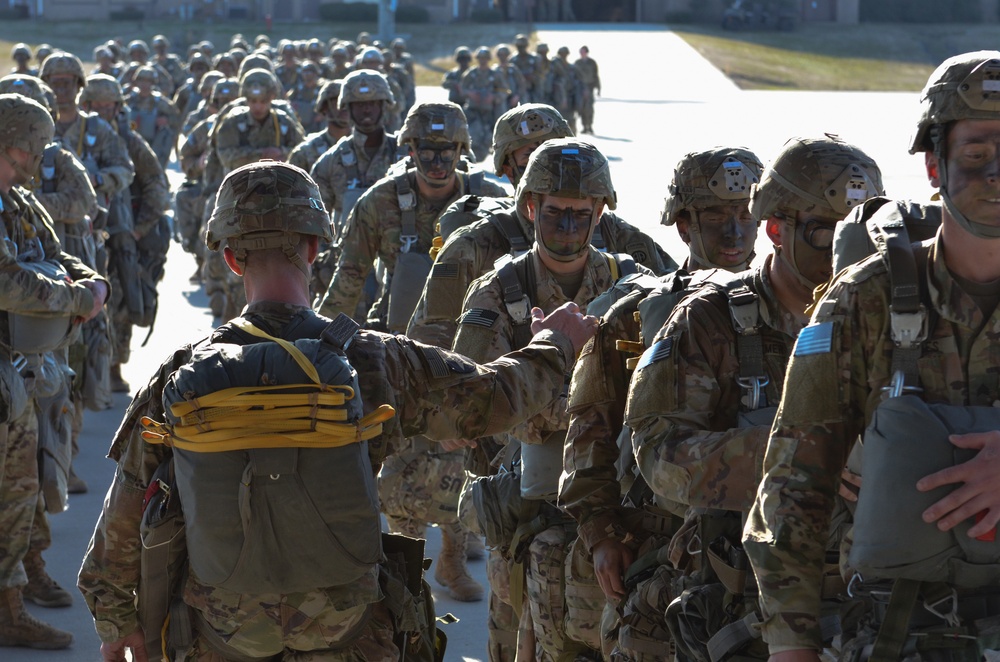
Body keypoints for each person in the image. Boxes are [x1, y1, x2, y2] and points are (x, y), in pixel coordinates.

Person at [77, 159, 599, 662]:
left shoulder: (181, 375)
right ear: (314, 246)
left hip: (224, 628)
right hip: (346, 624)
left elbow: (122, 519)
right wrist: (555, 344)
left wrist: (115, 622)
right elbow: (489, 401)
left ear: (231, 258)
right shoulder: (370, 358)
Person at [746, 50, 1000, 662]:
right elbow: (793, 484)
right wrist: (791, 646)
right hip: (902, 628)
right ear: (934, 166)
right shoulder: (865, 300)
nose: (997, 175)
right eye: (975, 155)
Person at [622, 136, 882, 661]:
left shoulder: (892, 316)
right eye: (823, 230)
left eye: (860, 231)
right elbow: (658, 454)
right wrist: (793, 455)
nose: (845, 249)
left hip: (873, 590)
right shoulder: (708, 320)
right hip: (745, 596)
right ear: (776, 229)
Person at [558, 145, 764, 656]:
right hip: (655, 559)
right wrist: (602, 535)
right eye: (716, 216)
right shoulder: (636, 314)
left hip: (761, 555)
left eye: (747, 215)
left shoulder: (797, 308)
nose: (735, 232)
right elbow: (590, 432)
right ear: (683, 226)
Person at [454, 138, 649, 660]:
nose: (567, 229)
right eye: (555, 213)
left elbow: (654, 397)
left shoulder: (633, 285)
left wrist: (544, 389)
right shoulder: (498, 290)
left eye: (580, 216)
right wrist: (572, 383)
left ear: (600, 214)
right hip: (528, 510)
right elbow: (474, 408)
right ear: (530, 208)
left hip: (612, 507)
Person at [0, 93, 109, 650]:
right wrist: (72, 298)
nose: (34, 160)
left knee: (30, 481)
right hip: (8, 372)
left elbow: (58, 252)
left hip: (26, 370)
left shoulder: (20, 201)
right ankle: (9, 604)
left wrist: (92, 282)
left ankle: (18, 586)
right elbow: (6, 281)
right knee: (12, 487)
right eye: (28, 149)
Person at [316, 101, 505, 332]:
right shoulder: (380, 201)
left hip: (475, 333)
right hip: (399, 337)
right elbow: (350, 277)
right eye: (427, 153)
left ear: (460, 151)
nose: (437, 164)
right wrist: (324, 340)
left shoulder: (491, 200)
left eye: (446, 153)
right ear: (412, 150)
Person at [287, 79, 349, 174]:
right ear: (324, 108)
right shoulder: (305, 152)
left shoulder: (368, 147)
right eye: (337, 103)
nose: (344, 108)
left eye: (348, 103)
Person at [461, 47, 509, 162]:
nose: (483, 61)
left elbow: (504, 90)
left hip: (489, 111)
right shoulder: (471, 73)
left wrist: (494, 97)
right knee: (471, 134)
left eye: (485, 58)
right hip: (473, 110)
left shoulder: (495, 74)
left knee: (491, 135)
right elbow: (462, 88)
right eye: (480, 58)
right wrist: (470, 94)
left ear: (489, 59)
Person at [573, 46, 600, 134]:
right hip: (580, 89)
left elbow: (596, 75)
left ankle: (590, 125)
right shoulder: (577, 63)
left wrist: (598, 88)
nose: (582, 53)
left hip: (590, 87)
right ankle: (584, 126)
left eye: (583, 52)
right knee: (582, 108)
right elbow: (574, 76)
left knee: (589, 108)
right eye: (581, 52)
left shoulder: (592, 63)